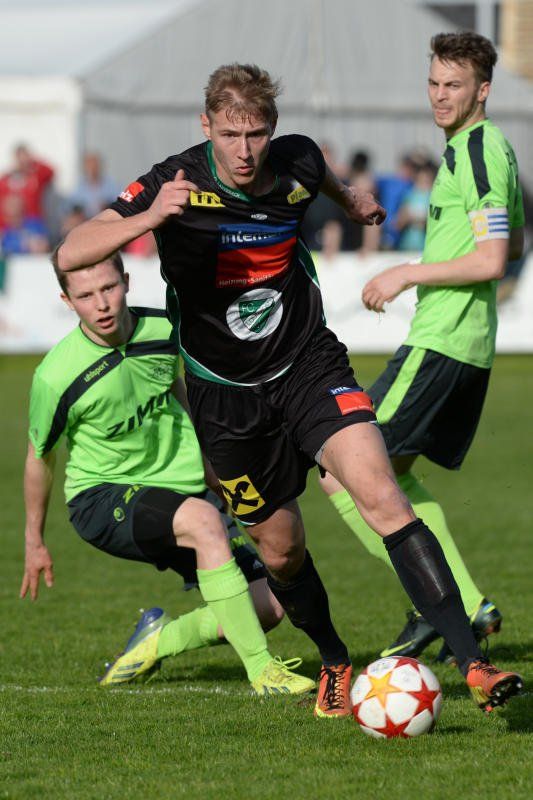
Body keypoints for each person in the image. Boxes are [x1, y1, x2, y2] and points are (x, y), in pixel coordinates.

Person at [58, 62, 521, 717]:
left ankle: (473, 662)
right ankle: (333, 657)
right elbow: (72, 251)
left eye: (256, 134)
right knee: (281, 551)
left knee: (381, 493)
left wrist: (351, 199)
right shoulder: (173, 182)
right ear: (206, 126)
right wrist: (150, 216)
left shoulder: (296, 158)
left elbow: (320, 174)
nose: (244, 150)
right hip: (225, 397)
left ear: (272, 127)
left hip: (308, 366)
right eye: (230, 135)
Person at [21, 249, 315, 697]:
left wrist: (213, 465)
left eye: (108, 288)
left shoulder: (164, 330)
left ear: (126, 282)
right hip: (101, 497)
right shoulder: (55, 376)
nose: (101, 304)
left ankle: (157, 643)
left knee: (270, 604)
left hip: (184, 487)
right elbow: (38, 457)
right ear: (67, 301)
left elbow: (177, 387)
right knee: (203, 521)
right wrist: (34, 541)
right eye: (85, 296)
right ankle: (262, 672)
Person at [321, 33, 525, 666]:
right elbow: (515, 242)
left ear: (482, 90)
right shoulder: (479, 150)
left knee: (341, 472)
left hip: (443, 341)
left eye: (453, 85)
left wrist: (407, 272)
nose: (439, 96)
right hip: (463, 343)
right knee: (392, 473)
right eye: (434, 83)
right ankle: (462, 603)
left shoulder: (479, 151)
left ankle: (447, 602)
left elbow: (492, 258)